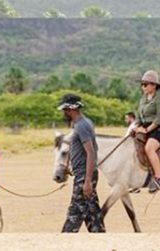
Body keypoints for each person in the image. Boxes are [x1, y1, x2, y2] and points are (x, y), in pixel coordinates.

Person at [58, 93, 105, 233]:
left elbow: (91, 152)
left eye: (65, 110)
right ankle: (101, 241)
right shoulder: (83, 123)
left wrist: (87, 181)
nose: (64, 113)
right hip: (83, 173)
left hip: (85, 176)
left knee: (74, 215)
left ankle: (63, 244)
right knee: (93, 216)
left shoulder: (81, 126)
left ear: (71, 109)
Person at [133, 70, 160, 193]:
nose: (143, 87)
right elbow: (139, 115)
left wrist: (147, 130)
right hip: (145, 127)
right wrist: (137, 127)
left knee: (149, 148)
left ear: (154, 85)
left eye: (145, 84)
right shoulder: (143, 98)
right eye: (142, 84)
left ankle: (159, 177)